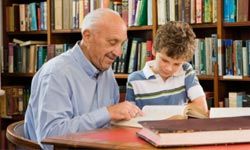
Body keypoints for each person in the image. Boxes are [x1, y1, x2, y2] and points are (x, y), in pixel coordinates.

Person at [24, 8, 142, 149]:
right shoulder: (55, 74)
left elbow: (109, 125)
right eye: (112, 42)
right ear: (87, 36)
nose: (118, 52)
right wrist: (108, 113)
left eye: (122, 44)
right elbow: (49, 137)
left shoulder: (106, 69)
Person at [125, 21, 208, 113]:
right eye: (164, 60)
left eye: (176, 64)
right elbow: (130, 116)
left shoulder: (186, 70)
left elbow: (202, 108)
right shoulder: (134, 80)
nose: (169, 68)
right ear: (154, 50)